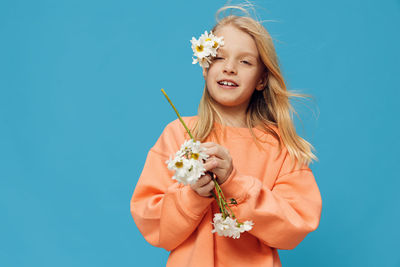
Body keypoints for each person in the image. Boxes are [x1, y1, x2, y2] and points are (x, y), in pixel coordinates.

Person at [130, 5, 322, 267]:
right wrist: (193, 195)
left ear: (262, 79)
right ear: (205, 66)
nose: (230, 68)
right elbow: (152, 222)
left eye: (245, 61)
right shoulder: (178, 134)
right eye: (219, 57)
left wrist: (235, 183)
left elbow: (296, 224)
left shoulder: (280, 147)